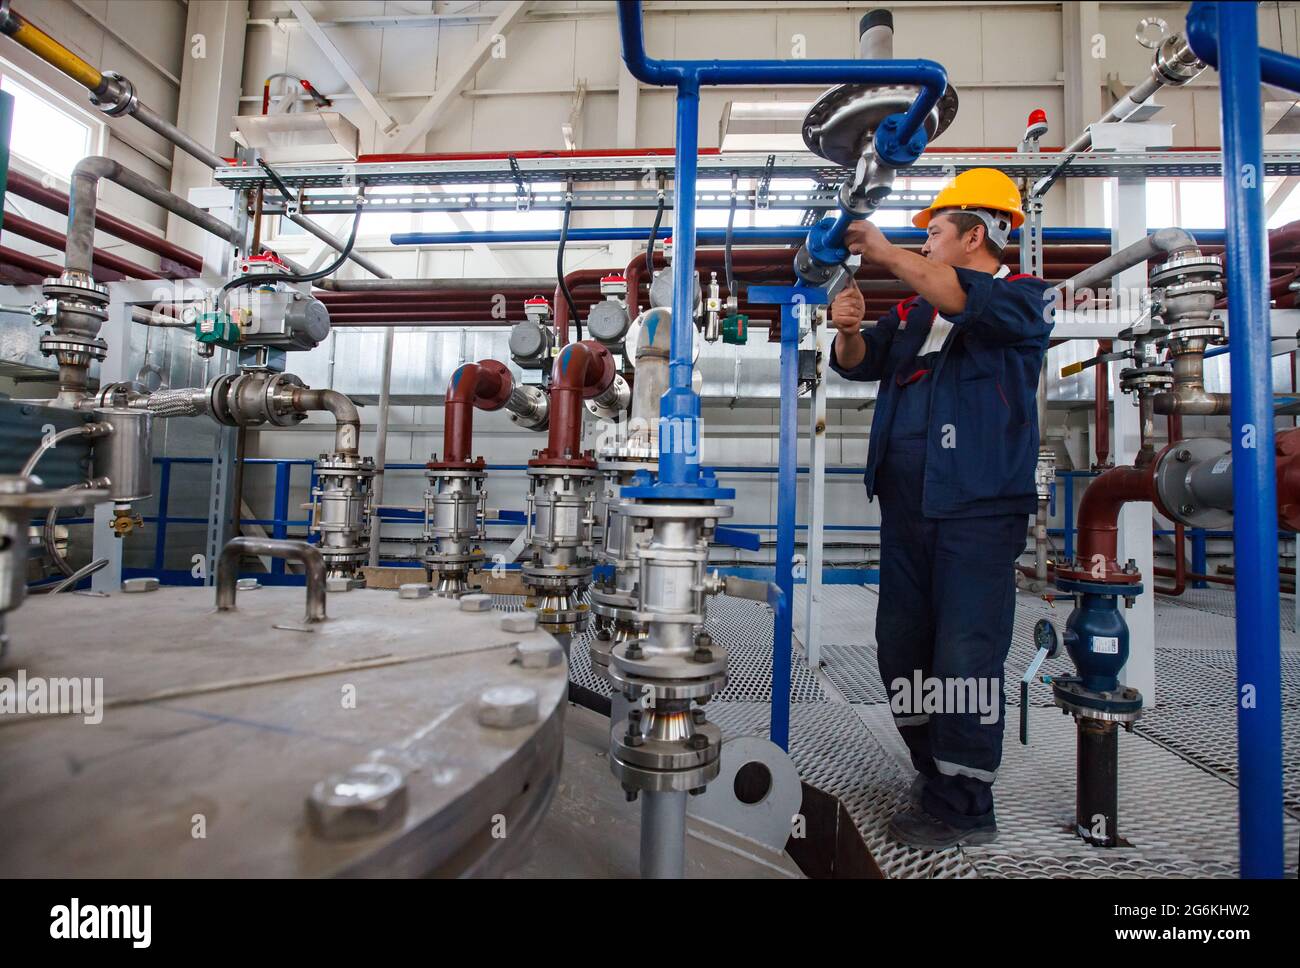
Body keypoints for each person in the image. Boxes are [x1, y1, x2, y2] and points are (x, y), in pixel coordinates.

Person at [827, 168, 1055, 848]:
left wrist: (884, 247)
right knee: (902, 649)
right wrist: (846, 330)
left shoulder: (1023, 299)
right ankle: (931, 770)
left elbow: (962, 299)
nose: (924, 246)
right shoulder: (914, 313)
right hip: (906, 510)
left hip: (977, 512)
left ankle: (964, 802)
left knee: (964, 653)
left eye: (932, 234)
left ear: (974, 234)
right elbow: (862, 362)